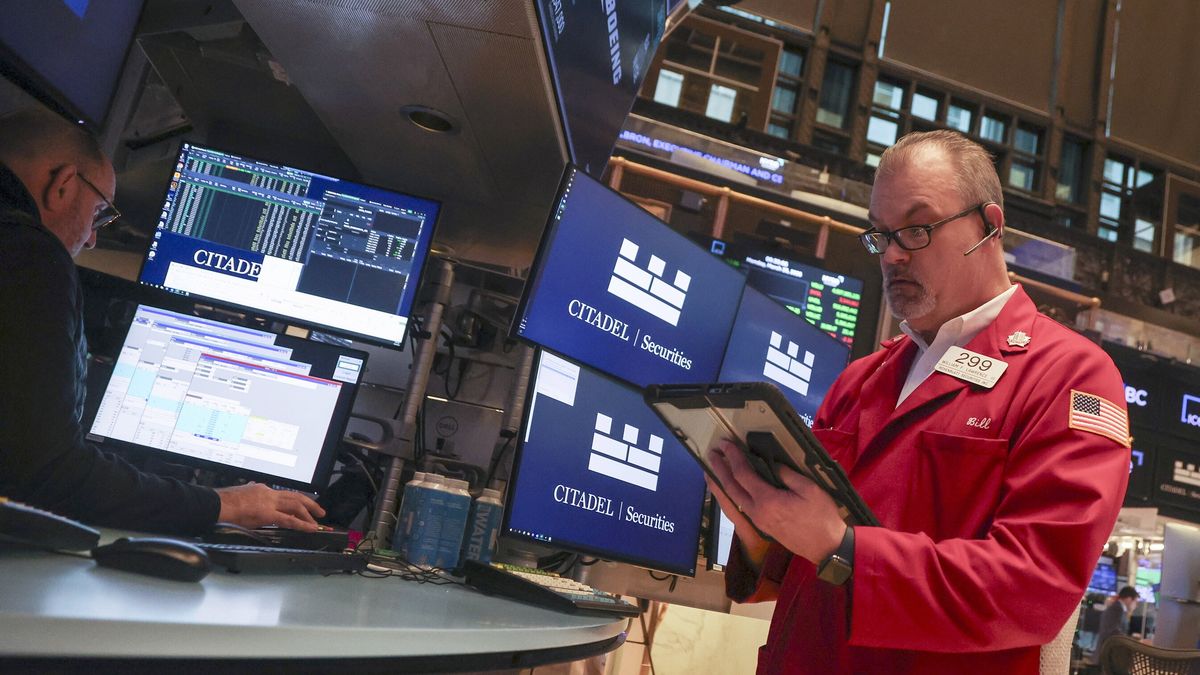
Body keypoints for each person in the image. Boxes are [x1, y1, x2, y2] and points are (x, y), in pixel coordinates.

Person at [707, 130, 1130, 674]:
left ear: (990, 227)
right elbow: (803, 572)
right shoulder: (862, 379)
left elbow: (1034, 587)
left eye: (916, 228)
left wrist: (843, 547)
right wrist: (759, 533)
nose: (894, 254)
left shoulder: (1070, 376)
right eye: (880, 235)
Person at [0, 108, 325, 535]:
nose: (94, 236)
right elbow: (50, 474)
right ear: (62, 184)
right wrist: (222, 505)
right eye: (99, 212)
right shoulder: (29, 253)